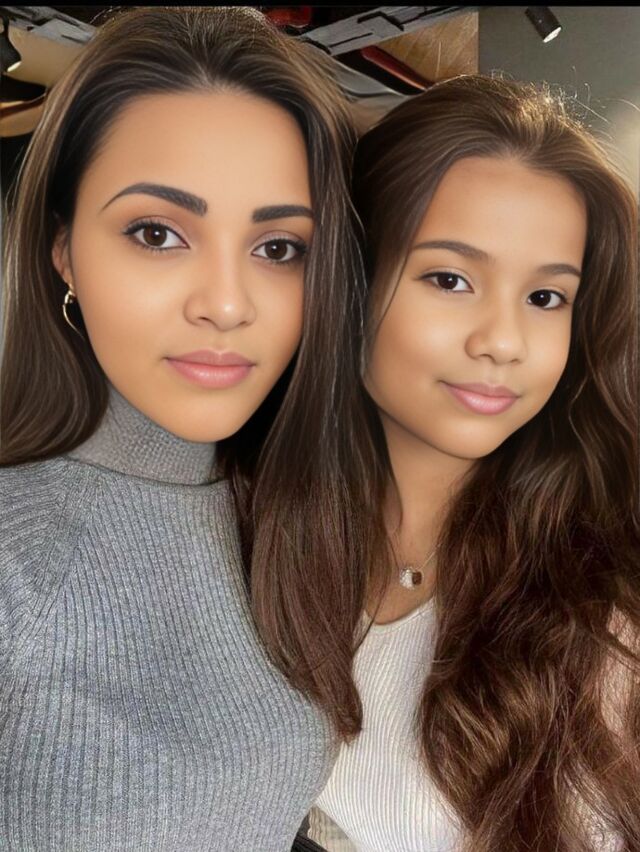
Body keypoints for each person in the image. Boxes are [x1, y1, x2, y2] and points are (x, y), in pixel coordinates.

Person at [0, 6, 371, 850]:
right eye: (157, 233)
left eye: (279, 248)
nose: (227, 304)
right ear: (63, 251)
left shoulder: (288, 513)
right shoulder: (16, 562)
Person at [306, 75, 640, 851]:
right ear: (349, 282)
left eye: (546, 298)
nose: (504, 342)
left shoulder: (610, 611)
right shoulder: (267, 538)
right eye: (451, 279)